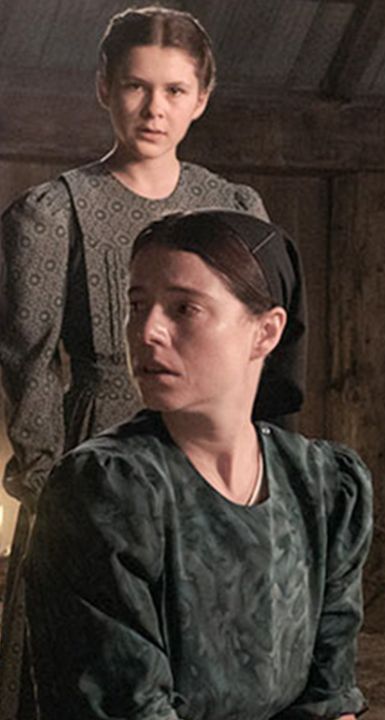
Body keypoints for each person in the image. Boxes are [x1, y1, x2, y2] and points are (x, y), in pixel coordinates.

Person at [0, 8, 269, 714]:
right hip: (93, 448)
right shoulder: (55, 210)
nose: (154, 108)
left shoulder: (232, 207)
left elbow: (252, 355)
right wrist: (51, 483)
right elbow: (28, 361)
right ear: (103, 88)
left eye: (175, 90)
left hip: (208, 460)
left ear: (202, 98)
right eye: (135, 86)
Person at [24, 211, 366, 719]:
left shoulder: (322, 486)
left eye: (184, 308)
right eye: (137, 306)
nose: (147, 331)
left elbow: (329, 697)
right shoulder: (108, 490)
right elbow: (125, 708)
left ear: (266, 332)